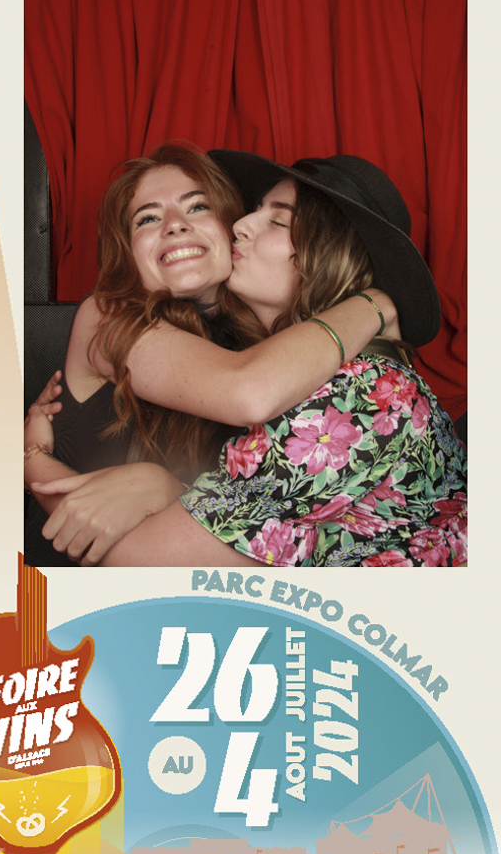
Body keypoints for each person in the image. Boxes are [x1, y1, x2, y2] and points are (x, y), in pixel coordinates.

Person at [24, 144, 400, 565]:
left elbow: (261, 531)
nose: (174, 225)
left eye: (197, 207)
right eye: (147, 218)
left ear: (228, 229)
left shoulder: (276, 350)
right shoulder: (107, 318)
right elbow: (245, 391)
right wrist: (376, 304)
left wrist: (165, 489)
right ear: (127, 250)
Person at [97, 150, 467, 567]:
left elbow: (131, 566)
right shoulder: (328, 376)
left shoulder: (353, 402)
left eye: (277, 221)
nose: (240, 225)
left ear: (325, 256)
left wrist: (46, 467)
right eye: (254, 209)